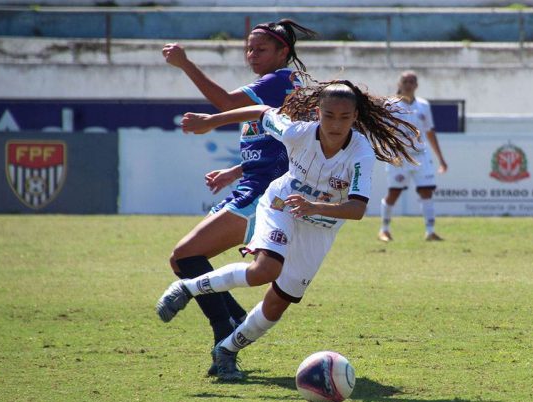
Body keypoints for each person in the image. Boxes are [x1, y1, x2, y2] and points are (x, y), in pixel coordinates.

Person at [156, 77, 421, 380]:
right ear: (317, 113)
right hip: (281, 204)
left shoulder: (361, 153)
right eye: (329, 115)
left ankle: (227, 351)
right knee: (263, 271)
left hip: (320, 226)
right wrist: (212, 120)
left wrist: (314, 207)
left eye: (345, 117)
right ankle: (187, 288)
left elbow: (357, 209)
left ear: (355, 117)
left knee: (277, 304)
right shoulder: (297, 132)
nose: (336, 124)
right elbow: (261, 111)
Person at [160, 19, 317, 376]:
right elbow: (281, 144)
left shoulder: (278, 82)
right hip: (252, 188)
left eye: (261, 49)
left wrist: (186, 64)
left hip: (262, 199)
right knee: (182, 261)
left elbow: (224, 102)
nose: (252, 55)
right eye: (249, 48)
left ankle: (225, 335)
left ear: (284, 52)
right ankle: (231, 323)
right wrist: (236, 170)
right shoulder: (280, 86)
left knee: (185, 257)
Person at [377, 70, 448, 242]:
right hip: (399, 157)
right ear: (399, 84)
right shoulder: (391, 105)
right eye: (405, 81)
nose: (408, 84)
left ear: (416, 85)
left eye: (412, 81)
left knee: (427, 192)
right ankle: (384, 230)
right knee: (394, 193)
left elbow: (429, 131)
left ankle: (430, 231)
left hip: (421, 156)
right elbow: (384, 131)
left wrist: (441, 159)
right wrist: (387, 152)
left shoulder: (423, 105)